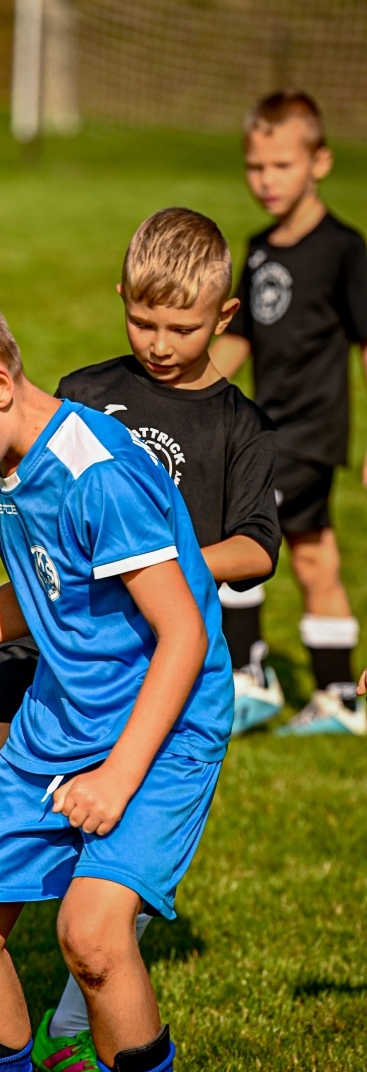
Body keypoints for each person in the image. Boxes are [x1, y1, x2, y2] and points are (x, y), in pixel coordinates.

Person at [0, 210, 279, 1072]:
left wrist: (120, 776)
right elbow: (51, 591)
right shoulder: (8, 470)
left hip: (156, 730)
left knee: (92, 936)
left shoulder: (98, 473)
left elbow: (184, 632)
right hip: (65, 712)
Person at [213, 90, 367, 736]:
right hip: (266, 425)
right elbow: (240, 339)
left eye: (282, 165)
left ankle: (249, 676)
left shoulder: (344, 249)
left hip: (310, 431)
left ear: (320, 162)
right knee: (312, 556)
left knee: (233, 527)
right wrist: (169, 385)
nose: (267, 180)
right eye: (256, 166)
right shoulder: (256, 249)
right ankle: (340, 696)